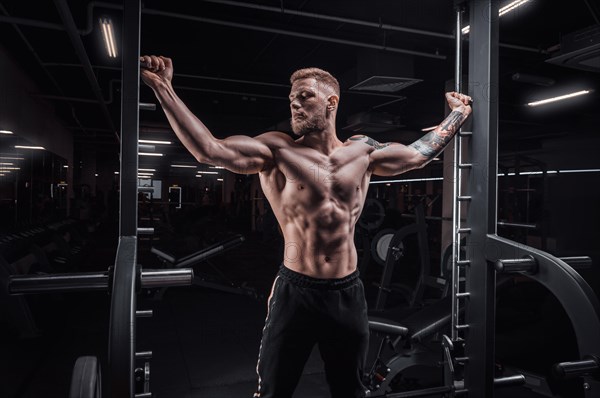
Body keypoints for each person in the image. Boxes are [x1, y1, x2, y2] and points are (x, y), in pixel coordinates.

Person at [140, 55, 472, 398]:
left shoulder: (363, 151)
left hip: (348, 292)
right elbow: (210, 150)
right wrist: (163, 87)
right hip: (295, 293)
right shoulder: (277, 150)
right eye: (292, 98)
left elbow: (419, 154)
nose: (295, 104)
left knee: (351, 390)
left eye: (305, 97)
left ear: (331, 102)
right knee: (274, 391)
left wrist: (458, 113)